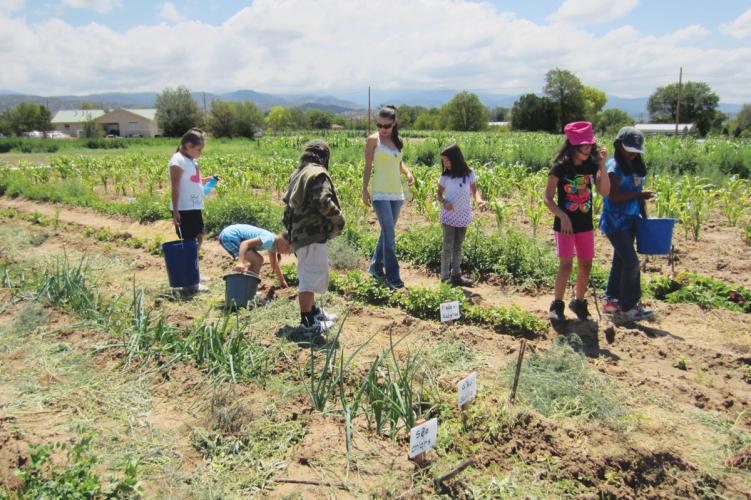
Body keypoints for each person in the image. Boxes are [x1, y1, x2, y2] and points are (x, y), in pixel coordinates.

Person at [544, 121, 610, 322]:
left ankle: (579, 302)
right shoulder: (560, 168)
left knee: (586, 265)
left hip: (584, 224)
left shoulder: (591, 166)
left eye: (590, 146)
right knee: (565, 265)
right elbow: (548, 198)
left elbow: (604, 191)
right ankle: (557, 305)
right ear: (574, 146)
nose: (588, 149)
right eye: (585, 146)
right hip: (565, 226)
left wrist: (601, 165)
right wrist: (562, 215)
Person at [283, 140, 345, 334]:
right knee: (309, 279)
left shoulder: (299, 172)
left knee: (310, 273)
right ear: (324, 157)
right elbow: (323, 201)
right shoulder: (317, 174)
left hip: (300, 233)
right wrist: (339, 219)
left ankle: (313, 312)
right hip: (311, 233)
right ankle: (307, 322)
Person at [600, 127, 655, 321]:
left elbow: (638, 197)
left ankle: (611, 302)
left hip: (631, 220)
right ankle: (629, 306)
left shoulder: (635, 168)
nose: (632, 153)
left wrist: (644, 219)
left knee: (621, 261)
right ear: (619, 146)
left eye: (635, 150)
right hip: (615, 223)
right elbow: (614, 196)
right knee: (632, 263)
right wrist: (639, 195)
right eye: (628, 149)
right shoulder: (613, 167)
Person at [361, 105, 415, 289]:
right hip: (380, 194)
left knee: (386, 232)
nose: (382, 129)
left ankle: (375, 268)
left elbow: (398, 163)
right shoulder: (372, 141)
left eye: (387, 126)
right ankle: (392, 276)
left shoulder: (399, 141)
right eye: (379, 125)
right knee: (390, 236)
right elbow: (368, 166)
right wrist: (364, 189)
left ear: (394, 124)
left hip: (397, 194)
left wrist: (408, 173)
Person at [168, 128, 216, 292]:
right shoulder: (177, 160)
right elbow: (175, 187)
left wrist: (205, 180)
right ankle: (191, 283)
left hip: (195, 207)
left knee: (198, 238)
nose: (200, 152)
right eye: (198, 149)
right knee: (188, 244)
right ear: (188, 145)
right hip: (184, 209)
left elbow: (192, 180)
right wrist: (175, 212)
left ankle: (194, 271)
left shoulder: (191, 161)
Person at [436, 143, 486, 286]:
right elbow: (439, 195)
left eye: (447, 160)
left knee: (458, 247)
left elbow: (474, 191)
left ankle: (456, 276)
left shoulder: (469, 173)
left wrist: (479, 200)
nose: (445, 163)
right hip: (449, 216)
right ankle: (445, 279)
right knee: (447, 247)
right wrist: (444, 202)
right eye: (443, 161)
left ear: (456, 158)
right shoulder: (445, 176)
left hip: (463, 215)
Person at [218, 224, 291, 288]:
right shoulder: (269, 239)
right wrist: (240, 262)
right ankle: (250, 291)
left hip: (229, 235)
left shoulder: (273, 245)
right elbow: (244, 244)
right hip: (230, 236)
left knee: (257, 260)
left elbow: (274, 265)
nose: (286, 253)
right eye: (288, 250)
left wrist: (282, 281)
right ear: (284, 242)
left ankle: (248, 288)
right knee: (257, 260)